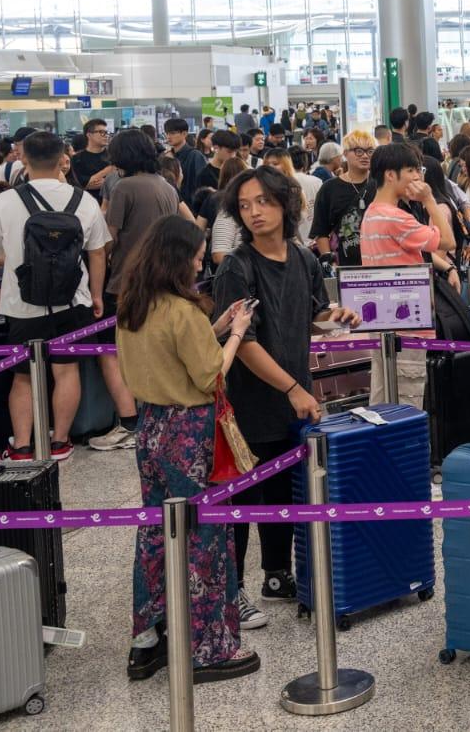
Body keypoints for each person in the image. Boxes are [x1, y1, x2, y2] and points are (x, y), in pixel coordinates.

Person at [213, 167, 362, 611]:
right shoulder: (238, 268)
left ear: (284, 204)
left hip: (291, 397)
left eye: (262, 201)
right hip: (247, 401)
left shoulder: (304, 259)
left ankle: (276, 575)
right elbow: (244, 345)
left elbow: (312, 313)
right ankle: (230, 590)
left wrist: (334, 316)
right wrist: (295, 388)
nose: (254, 212)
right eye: (244, 205)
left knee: (281, 488)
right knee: (243, 495)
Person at [120, 216, 260, 680]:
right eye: (197, 255)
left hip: (151, 428)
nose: (202, 261)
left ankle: (148, 639)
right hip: (191, 434)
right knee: (205, 537)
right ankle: (209, 646)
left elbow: (173, 356)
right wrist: (237, 331)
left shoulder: (134, 305)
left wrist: (213, 326)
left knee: (156, 531)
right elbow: (208, 375)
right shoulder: (182, 311)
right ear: (179, 258)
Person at [0, 131, 111, 460]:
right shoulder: (84, 201)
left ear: (23, 158)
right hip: (73, 300)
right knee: (66, 371)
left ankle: (21, 445)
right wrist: (96, 295)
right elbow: (98, 254)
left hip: (21, 305)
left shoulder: (5, 202)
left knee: (22, 375)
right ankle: (60, 442)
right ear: (64, 157)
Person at [91, 129, 181, 453]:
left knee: (111, 354)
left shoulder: (125, 187)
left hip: (126, 284)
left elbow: (108, 238)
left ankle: (128, 423)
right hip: (163, 281)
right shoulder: (166, 186)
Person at [361, 143, 451, 266]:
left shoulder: (370, 213)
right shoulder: (396, 218)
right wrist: (429, 199)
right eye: (411, 170)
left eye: (418, 170)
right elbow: (448, 241)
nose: (417, 177)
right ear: (390, 175)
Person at [309, 129, 377, 265]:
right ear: (345, 154)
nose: (365, 156)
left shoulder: (381, 184)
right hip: (344, 265)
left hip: (379, 261)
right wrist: (329, 261)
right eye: (358, 151)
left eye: (370, 151)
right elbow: (320, 230)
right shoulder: (329, 188)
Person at [163, 118, 209, 208]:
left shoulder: (195, 156)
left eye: (172, 133)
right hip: (171, 205)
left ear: (184, 134)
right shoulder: (166, 156)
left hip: (191, 207)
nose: (168, 137)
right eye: (167, 133)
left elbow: (202, 185)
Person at [71, 118, 114, 201]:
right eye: (101, 132)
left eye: (106, 132)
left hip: (111, 203)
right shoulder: (77, 159)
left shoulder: (114, 156)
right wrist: (109, 170)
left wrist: (105, 182)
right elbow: (83, 185)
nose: (106, 135)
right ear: (89, 135)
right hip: (87, 203)